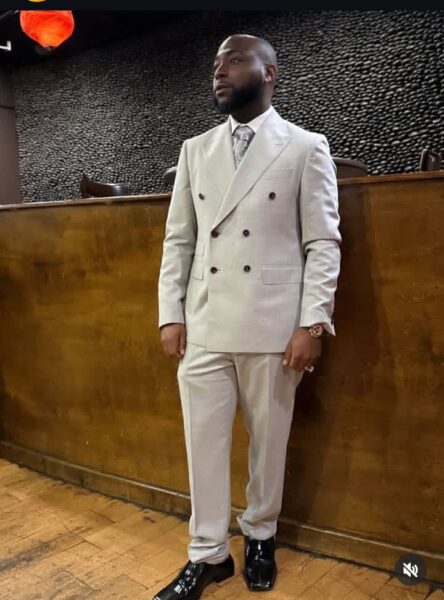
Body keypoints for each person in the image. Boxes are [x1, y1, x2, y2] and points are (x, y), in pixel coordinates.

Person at [155, 33, 341, 600]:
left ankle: (260, 535)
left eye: (234, 61)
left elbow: (323, 242)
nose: (219, 72)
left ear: (268, 72)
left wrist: (312, 323)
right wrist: (170, 312)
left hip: (273, 324)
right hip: (205, 321)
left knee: (269, 443)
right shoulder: (195, 150)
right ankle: (208, 553)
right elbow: (179, 240)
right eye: (216, 63)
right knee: (203, 444)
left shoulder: (305, 146)